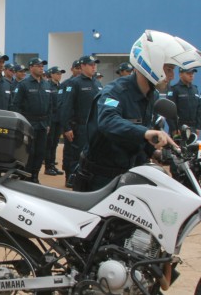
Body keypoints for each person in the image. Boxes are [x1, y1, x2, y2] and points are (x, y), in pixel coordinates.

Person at [74, 30, 201, 191]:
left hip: (127, 175)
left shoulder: (152, 95)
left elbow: (138, 133)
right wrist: (146, 134)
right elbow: (108, 121)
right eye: (169, 69)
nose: (171, 76)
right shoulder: (113, 92)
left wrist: (154, 152)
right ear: (153, 63)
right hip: (99, 180)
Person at [59, 55, 102, 186]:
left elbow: (104, 102)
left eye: (95, 64)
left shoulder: (97, 83)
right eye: (91, 64)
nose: (94, 67)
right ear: (82, 66)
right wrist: (66, 127)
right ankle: (73, 180)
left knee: (93, 156)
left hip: (95, 127)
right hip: (79, 127)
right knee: (76, 155)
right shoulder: (74, 83)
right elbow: (66, 106)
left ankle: (87, 180)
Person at [10, 58, 52, 183]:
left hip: (43, 124)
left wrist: (48, 123)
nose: (41, 68)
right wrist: (21, 124)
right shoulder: (24, 84)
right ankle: (26, 176)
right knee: (30, 152)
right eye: (38, 65)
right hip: (29, 123)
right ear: (31, 67)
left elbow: (50, 106)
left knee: (40, 152)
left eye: (42, 66)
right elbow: (16, 105)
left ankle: (35, 175)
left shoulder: (46, 84)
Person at [44, 66, 65, 177]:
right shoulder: (48, 86)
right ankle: (48, 166)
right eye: (57, 73)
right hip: (51, 118)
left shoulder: (60, 86)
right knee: (49, 143)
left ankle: (52, 165)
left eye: (60, 73)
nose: (59, 75)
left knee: (55, 143)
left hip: (58, 118)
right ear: (51, 74)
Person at [166, 67, 200, 136]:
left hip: (193, 128)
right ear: (180, 74)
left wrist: (198, 127)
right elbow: (169, 110)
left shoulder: (195, 89)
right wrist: (174, 128)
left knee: (192, 146)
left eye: (193, 73)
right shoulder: (174, 89)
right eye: (188, 73)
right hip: (179, 128)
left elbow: (199, 110)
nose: (191, 75)